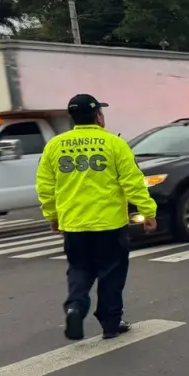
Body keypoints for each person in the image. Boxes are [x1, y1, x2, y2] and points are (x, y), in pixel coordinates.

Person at [35, 94, 158, 341]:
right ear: (98, 116)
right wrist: (148, 212)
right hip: (110, 224)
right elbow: (132, 182)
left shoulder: (55, 146)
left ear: (72, 117)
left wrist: (53, 215)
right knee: (111, 273)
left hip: (75, 224)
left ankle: (75, 307)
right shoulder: (114, 144)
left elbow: (45, 186)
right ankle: (111, 324)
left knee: (79, 269)